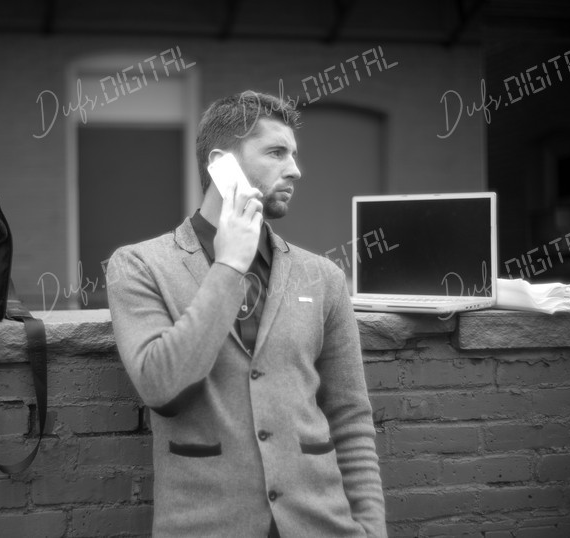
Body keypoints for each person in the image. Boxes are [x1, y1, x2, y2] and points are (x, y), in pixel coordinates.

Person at [106, 91, 386, 537]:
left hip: (322, 523)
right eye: (277, 152)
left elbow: (350, 415)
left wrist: (371, 528)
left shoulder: (324, 276)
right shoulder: (139, 265)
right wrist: (229, 266)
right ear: (222, 164)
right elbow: (160, 386)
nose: (295, 169)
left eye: (293, 154)